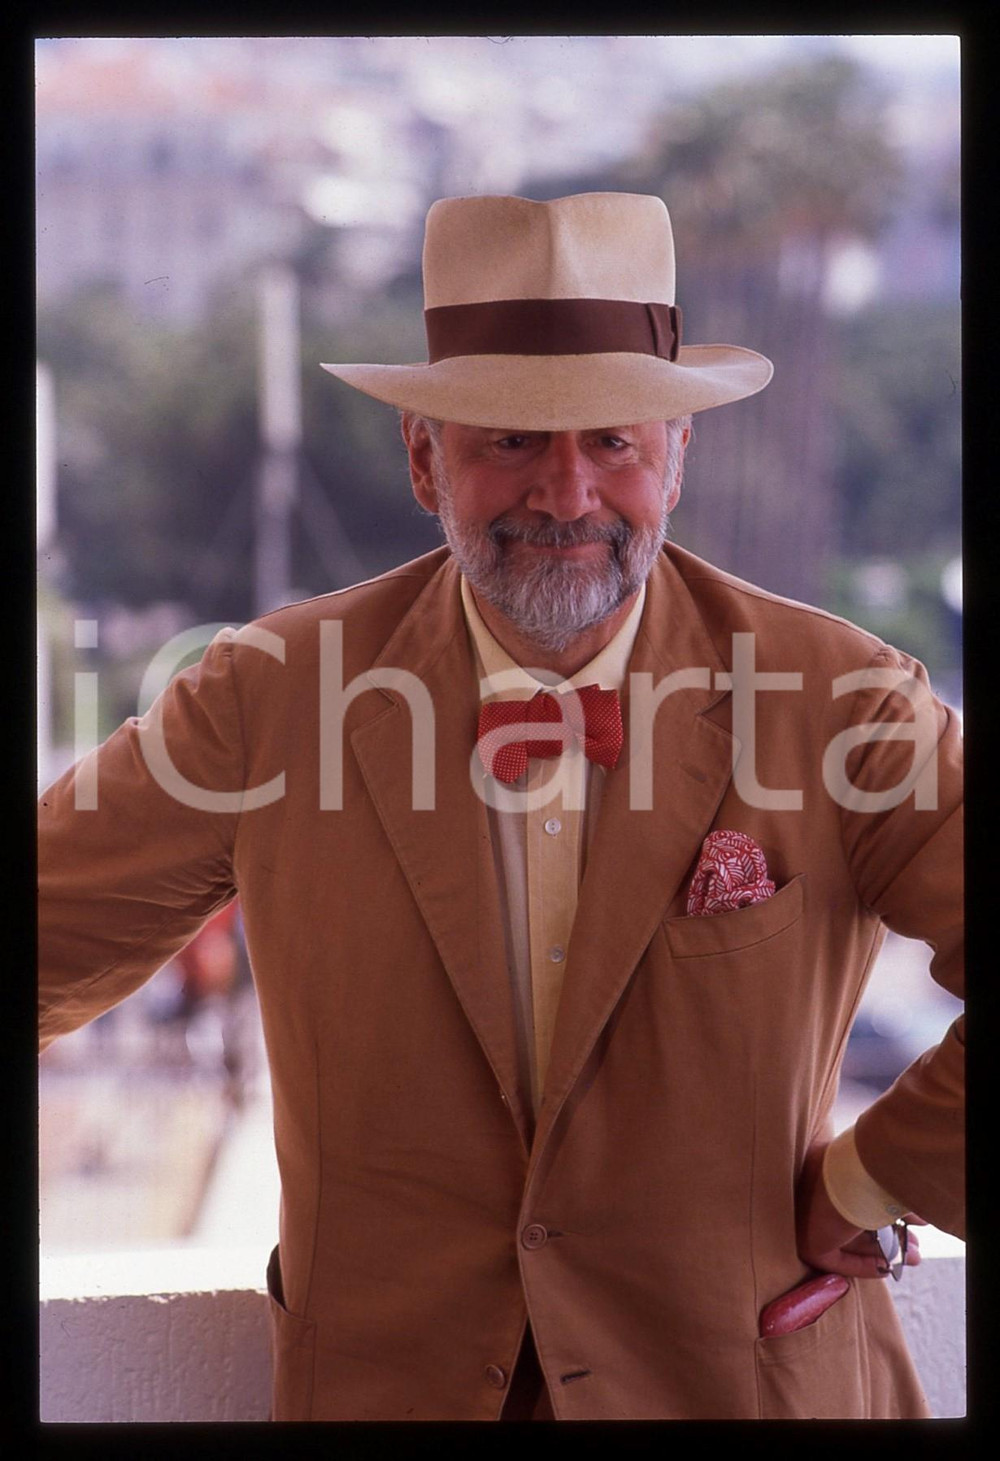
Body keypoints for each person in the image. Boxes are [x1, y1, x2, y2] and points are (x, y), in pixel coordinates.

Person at [38, 192, 963, 1421]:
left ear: (677, 457)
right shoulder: (263, 698)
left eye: (613, 444)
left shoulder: (845, 700)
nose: (567, 494)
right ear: (424, 458)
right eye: (511, 443)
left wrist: (870, 1177)